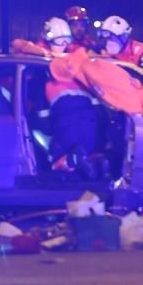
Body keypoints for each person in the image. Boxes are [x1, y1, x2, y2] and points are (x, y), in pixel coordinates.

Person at [40, 16, 100, 171]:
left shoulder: (75, 62)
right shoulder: (42, 64)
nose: (64, 46)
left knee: (59, 163)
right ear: (49, 39)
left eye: (67, 41)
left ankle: (75, 163)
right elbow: (41, 109)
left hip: (77, 120)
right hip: (69, 121)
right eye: (60, 41)